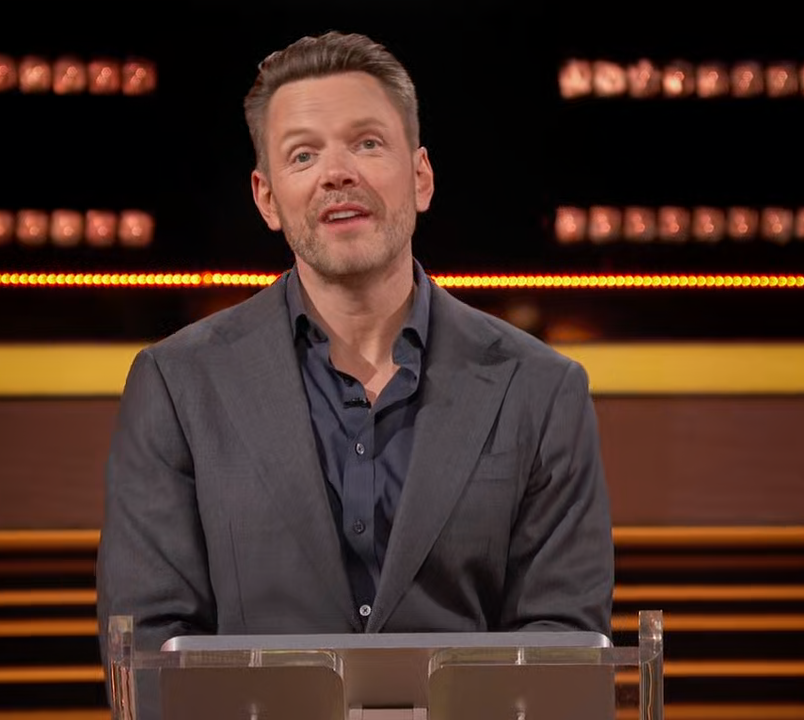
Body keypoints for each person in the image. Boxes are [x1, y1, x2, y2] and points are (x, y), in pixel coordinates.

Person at [96, 30, 613, 662]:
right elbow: (150, 649)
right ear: (267, 199)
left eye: (367, 143)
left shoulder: (541, 388)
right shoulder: (178, 385)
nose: (337, 173)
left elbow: (560, 640)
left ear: (420, 178)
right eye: (303, 155)